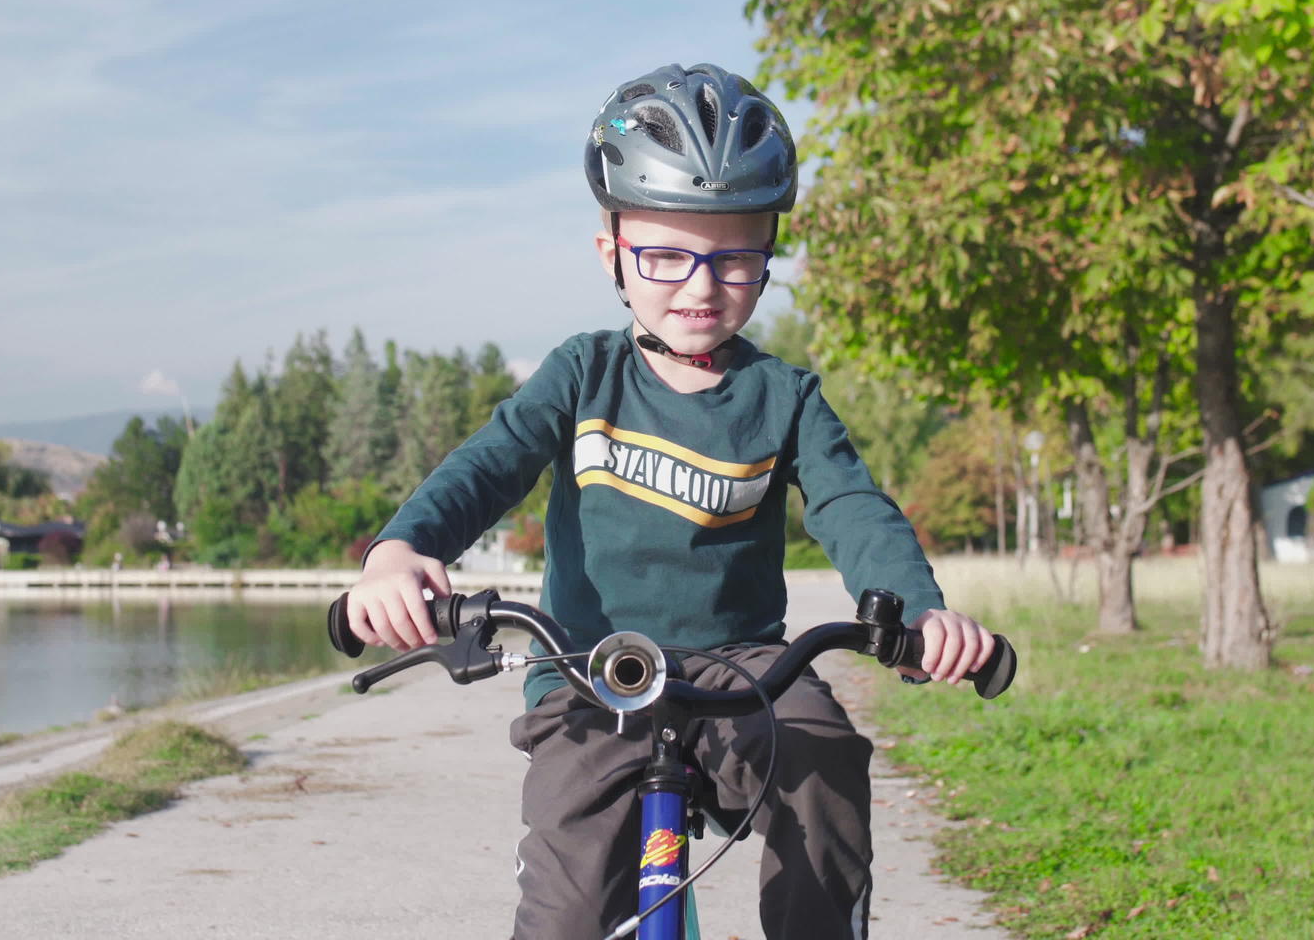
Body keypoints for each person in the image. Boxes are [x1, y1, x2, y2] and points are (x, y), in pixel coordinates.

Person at [342, 62, 995, 939]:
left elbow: (854, 510)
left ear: (769, 254)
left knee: (823, 762)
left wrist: (920, 614)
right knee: (568, 912)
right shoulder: (584, 374)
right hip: (586, 670)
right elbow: (489, 464)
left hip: (744, 669)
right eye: (666, 255)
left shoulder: (784, 396)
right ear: (612, 250)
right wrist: (401, 551)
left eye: (735, 258)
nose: (699, 285)